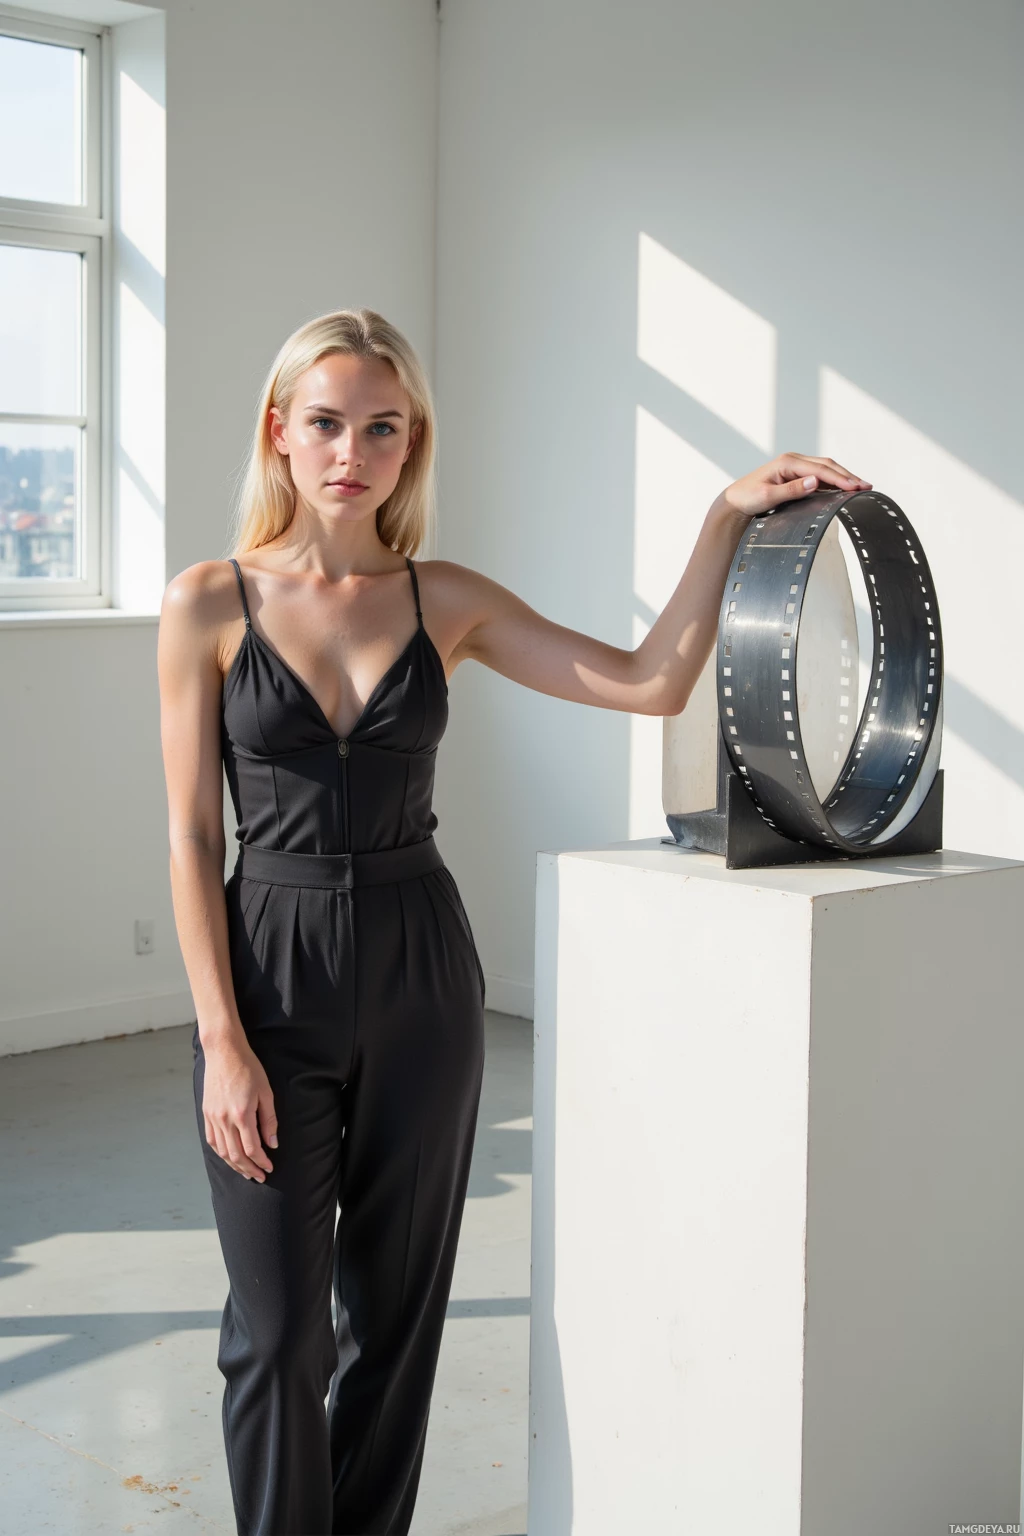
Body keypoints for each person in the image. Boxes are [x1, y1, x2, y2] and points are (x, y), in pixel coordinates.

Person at [157, 306, 870, 1536]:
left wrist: (718, 520)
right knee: (274, 1337)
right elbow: (189, 836)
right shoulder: (208, 603)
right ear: (279, 432)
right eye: (326, 422)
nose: (352, 451)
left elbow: (652, 682)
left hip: (422, 972)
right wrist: (221, 1039)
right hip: (269, 972)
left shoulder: (448, 600)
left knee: (394, 1321)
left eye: (383, 427)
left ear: (410, 444)